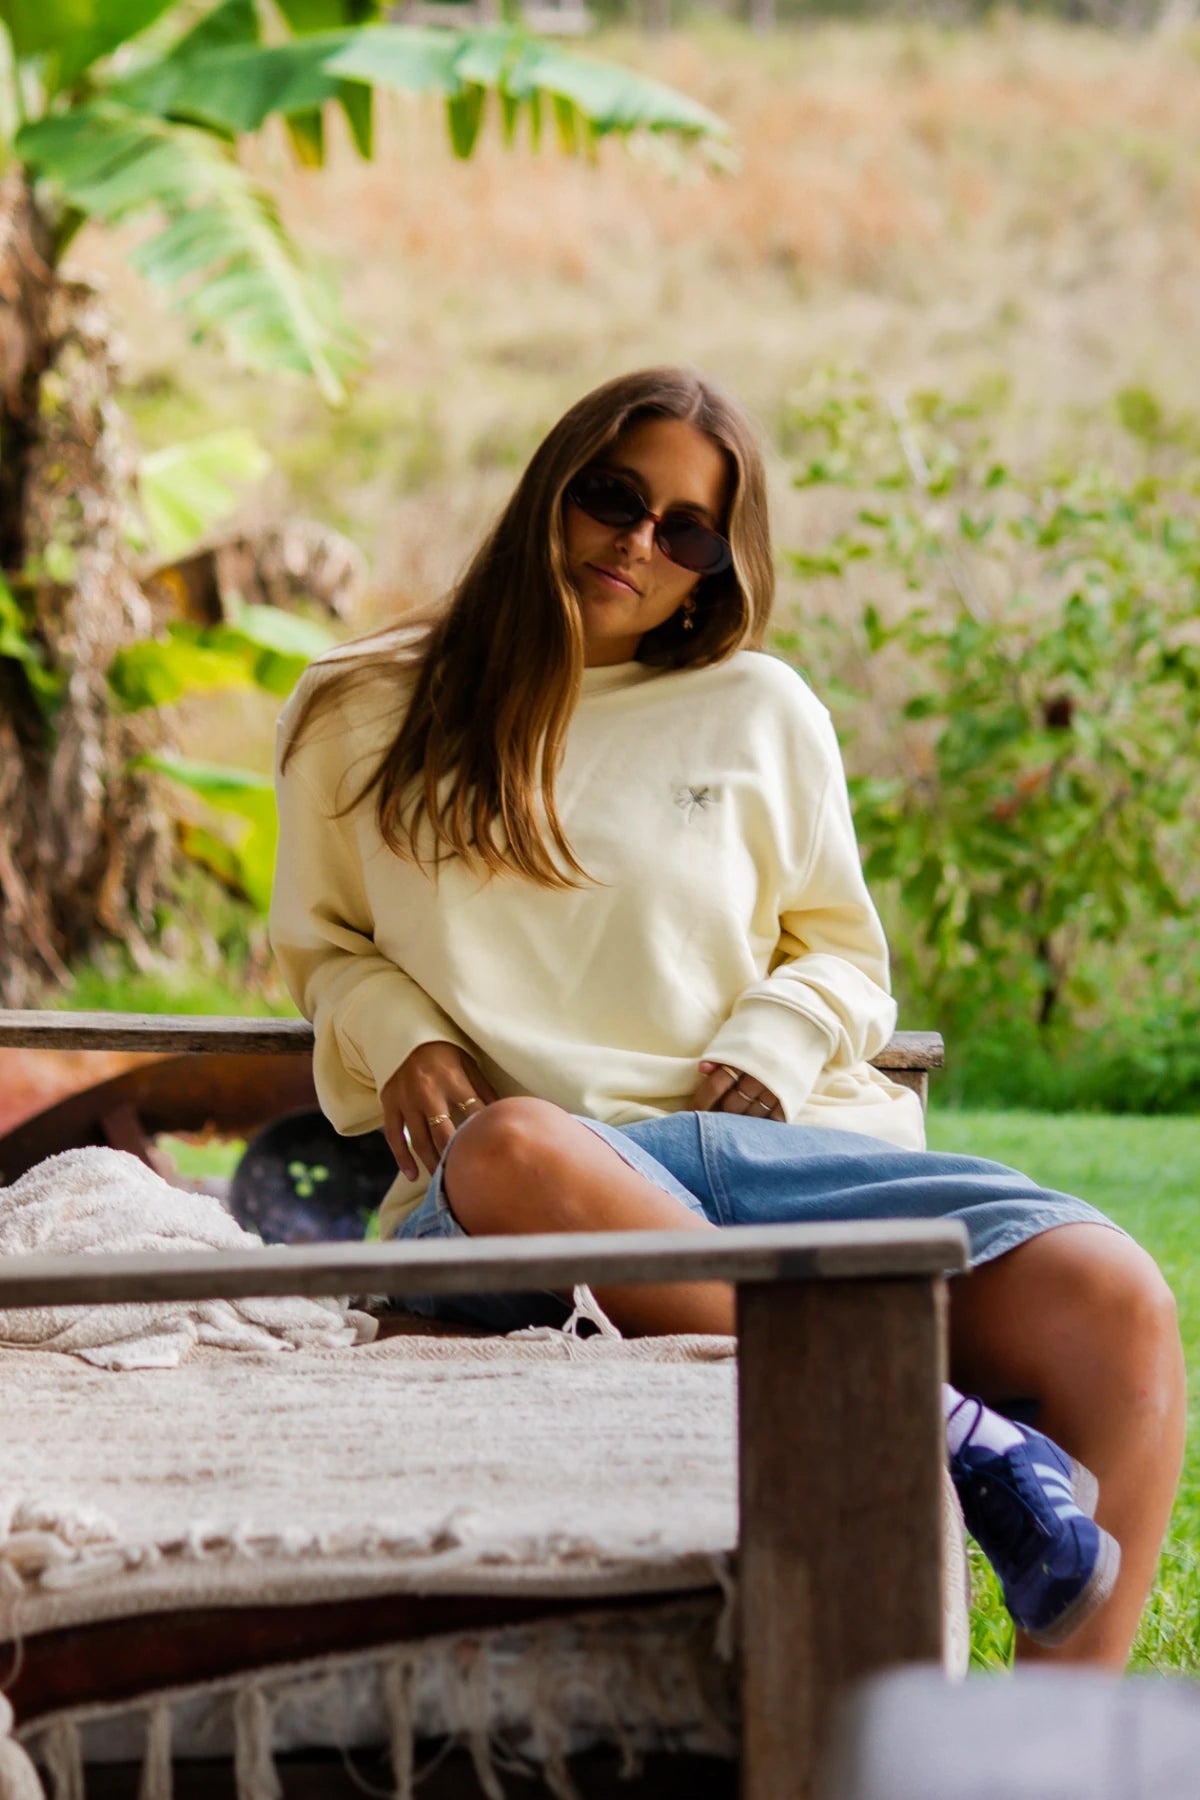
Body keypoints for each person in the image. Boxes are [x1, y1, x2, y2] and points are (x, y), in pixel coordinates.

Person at [270, 366, 1184, 1667]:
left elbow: (846, 960)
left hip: (769, 1157)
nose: (639, 543)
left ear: (715, 566)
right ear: (553, 489)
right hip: (533, 1190)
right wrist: (399, 1029)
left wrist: (779, 1034)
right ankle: (941, 1429)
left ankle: (1049, 1755)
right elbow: (320, 947)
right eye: (613, 498)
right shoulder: (360, 713)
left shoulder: (768, 711)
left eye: (687, 529)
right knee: (522, 1141)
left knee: (1114, 1301)